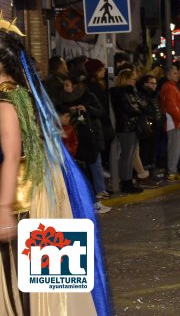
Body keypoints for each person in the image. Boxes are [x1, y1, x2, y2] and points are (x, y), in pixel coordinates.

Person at [0, 20, 111, 314]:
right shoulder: (22, 95)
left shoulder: (6, 103)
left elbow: (11, 156)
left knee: (24, 284)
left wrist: (2, 209)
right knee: (43, 284)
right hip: (40, 196)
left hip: (21, 201)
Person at [109, 68, 145, 193]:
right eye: (132, 79)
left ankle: (128, 180)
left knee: (130, 155)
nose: (135, 82)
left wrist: (138, 107)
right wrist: (138, 108)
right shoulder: (120, 93)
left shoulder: (130, 91)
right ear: (126, 79)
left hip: (132, 126)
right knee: (127, 155)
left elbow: (142, 104)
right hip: (126, 127)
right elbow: (129, 109)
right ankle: (126, 182)